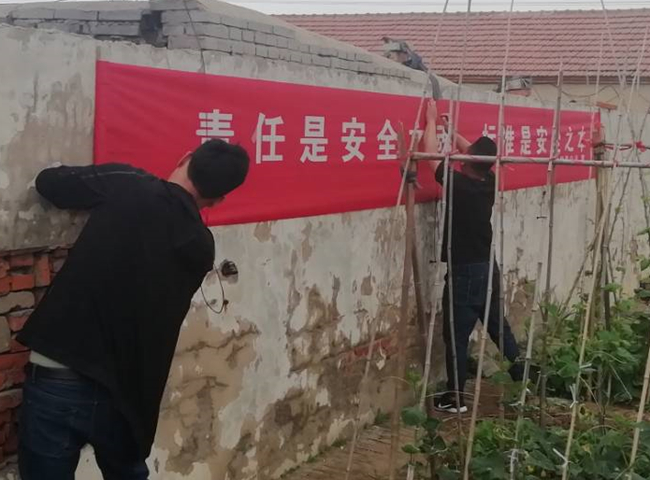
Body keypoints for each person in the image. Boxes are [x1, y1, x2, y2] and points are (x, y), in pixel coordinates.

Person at [17, 139, 250, 479]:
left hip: (59, 374)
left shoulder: (127, 183)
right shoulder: (201, 246)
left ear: (185, 157)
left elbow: (50, 183)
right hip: (127, 397)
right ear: (218, 199)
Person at [421, 100, 524, 413]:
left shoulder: (459, 185)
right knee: (498, 327)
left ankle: (456, 398)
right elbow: (476, 155)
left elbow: (429, 154)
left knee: (456, 335)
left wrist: (431, 121)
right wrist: (451, 130)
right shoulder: (487, 181)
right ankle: (523, 379)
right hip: (487, 267)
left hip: (465, 271)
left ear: (467, 161)